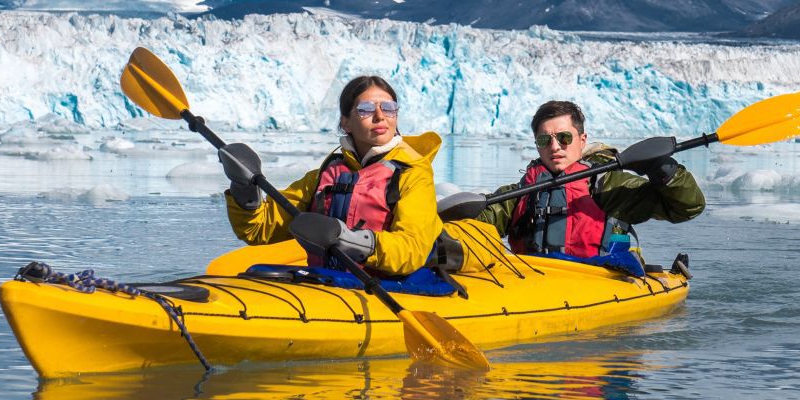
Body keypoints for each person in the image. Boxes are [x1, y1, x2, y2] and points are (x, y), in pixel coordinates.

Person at [220, 75, 442, 275]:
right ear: (345, 122)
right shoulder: (323, 176)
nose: (379, 116)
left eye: (389, 108)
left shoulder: (412, 174)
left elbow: (411, 250)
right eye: (365, 109)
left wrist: (349, 239)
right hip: (328, 285)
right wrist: (244, 188)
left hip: (387, 288)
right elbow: (259, 229)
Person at [475, 100, 705, 258]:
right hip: (535, 278)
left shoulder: (607, 186)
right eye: (545, 140)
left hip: (595, 276)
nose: (555, 147)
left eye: (564, 137)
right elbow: (479, 221)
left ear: (582, 139)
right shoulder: (523, 191)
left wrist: (662, 169)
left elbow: (687, 207)